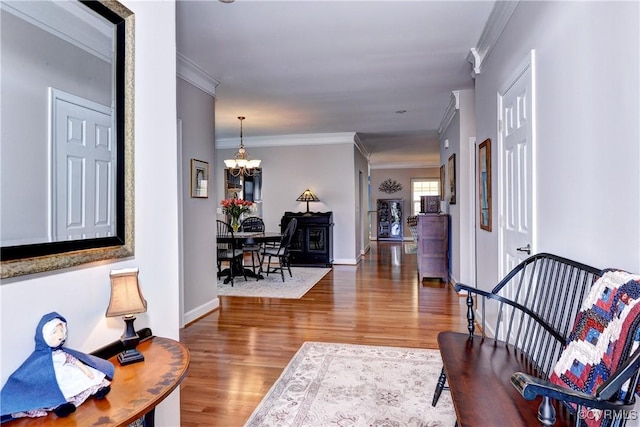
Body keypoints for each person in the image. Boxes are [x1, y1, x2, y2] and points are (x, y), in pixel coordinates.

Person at [0, 312, 114, 421]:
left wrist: (85, 370)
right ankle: (61, 406)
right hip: (53, 379)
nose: (60, 335)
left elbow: (73, 360)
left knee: (84, 378)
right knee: (55, 392)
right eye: (55, 332)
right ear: (45, 336)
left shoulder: (62, 352)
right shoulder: (39, 357)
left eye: (61, 331)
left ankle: (98, 389)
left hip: (67, 372)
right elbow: (30, 372)